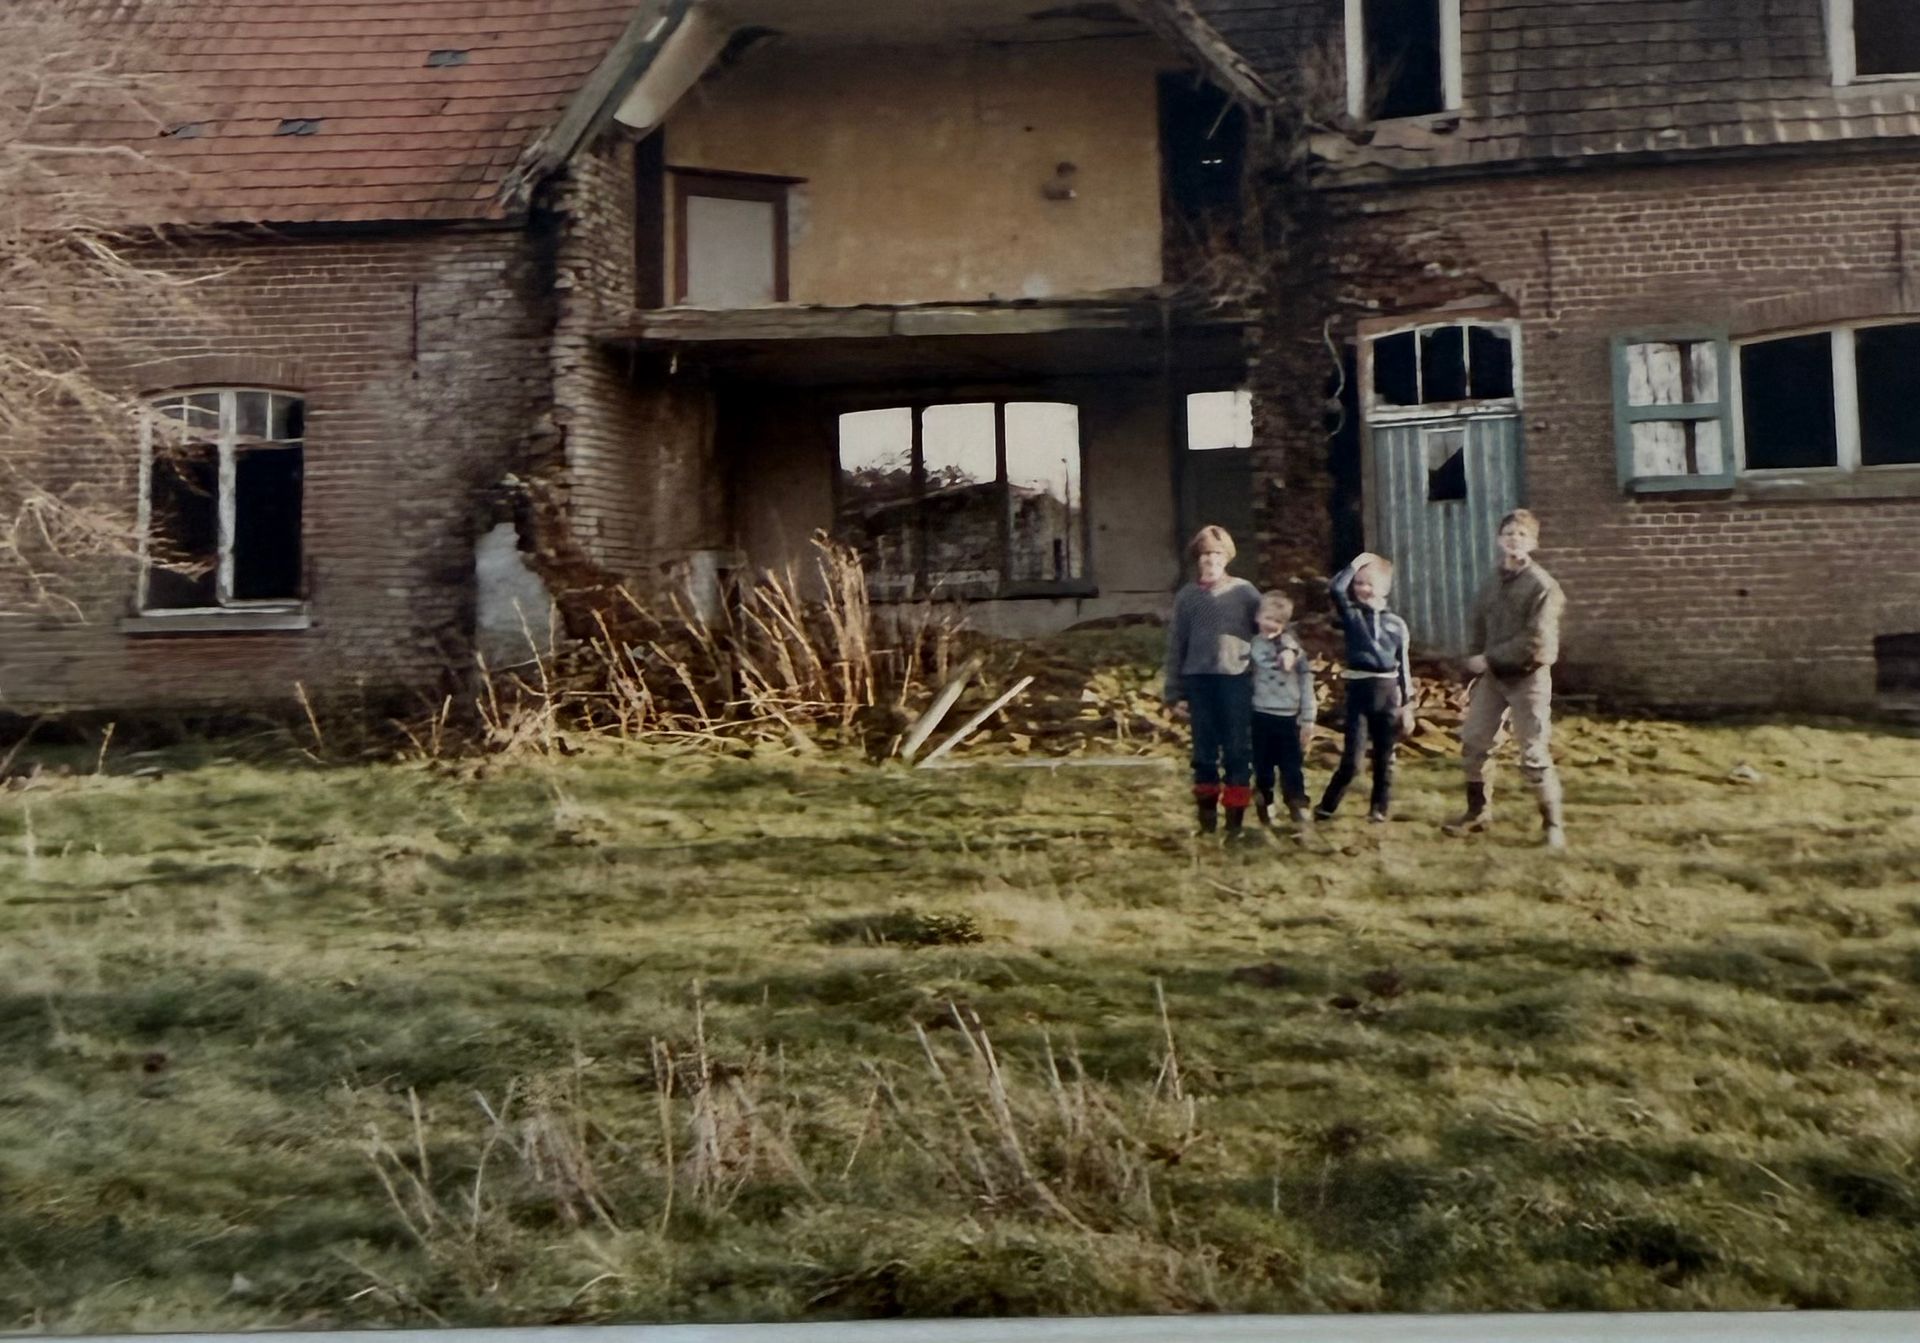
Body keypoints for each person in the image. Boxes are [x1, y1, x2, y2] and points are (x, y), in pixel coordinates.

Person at [1443, 508, 1568, 849]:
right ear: (1500, 539)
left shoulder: (1543, 587)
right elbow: (1478, 624)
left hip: (1529, 679)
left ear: (1534, 543)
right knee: (1474, 743)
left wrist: (1490, 657)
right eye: (1509, 533)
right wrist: (1473, 659)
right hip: (1493, 679)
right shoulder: (1490, 582)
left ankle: (1552, 826)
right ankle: (1477, 813)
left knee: (1533, 753)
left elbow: (1539, 642)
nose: (1515, 540)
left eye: (1522, 535)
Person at [1163, 525, 1261, 840]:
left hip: (1236, 679)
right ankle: (1207, 822)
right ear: (1197, 559)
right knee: (1204, 753)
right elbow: (1176, 643)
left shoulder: (1244, 592)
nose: (1210, 560)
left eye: (1217, 554)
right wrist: (1174, 692)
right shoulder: (1187, 597)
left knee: (1236, 749)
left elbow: (1268, 632)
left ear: (1227, 557)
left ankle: (1235, 823)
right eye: (1205, 554)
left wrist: (1271, 673)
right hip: (1198, 681)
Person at [1315, 552, 1415, 824]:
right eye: (1358, 583)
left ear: (1384, 588)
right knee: (1352, 761)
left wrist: (1407, 705)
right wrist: (1358, 561)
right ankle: (1325, 807)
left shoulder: (1397, 625)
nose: (1362, 588)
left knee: (1384, 759)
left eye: (1369, 583)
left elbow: (1403, 666)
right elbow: (1336, 588)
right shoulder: (1352, 616)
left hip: (1388, 695)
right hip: (1359, 694)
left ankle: (1378, 810)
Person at [1249, 591, 1317, 827]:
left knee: (1292, 767)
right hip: (1260, 714)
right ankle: (1264, 804)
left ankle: (1298, 805)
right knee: (1263, 765)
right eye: (1267, 618)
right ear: (1258, 617)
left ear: (1285, 624)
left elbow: (1306, 683)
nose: (1271, 625)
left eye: (1278, 622)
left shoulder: (1293, 649)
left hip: (1289, 717)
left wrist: (1308, 719)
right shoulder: (1251, 646)